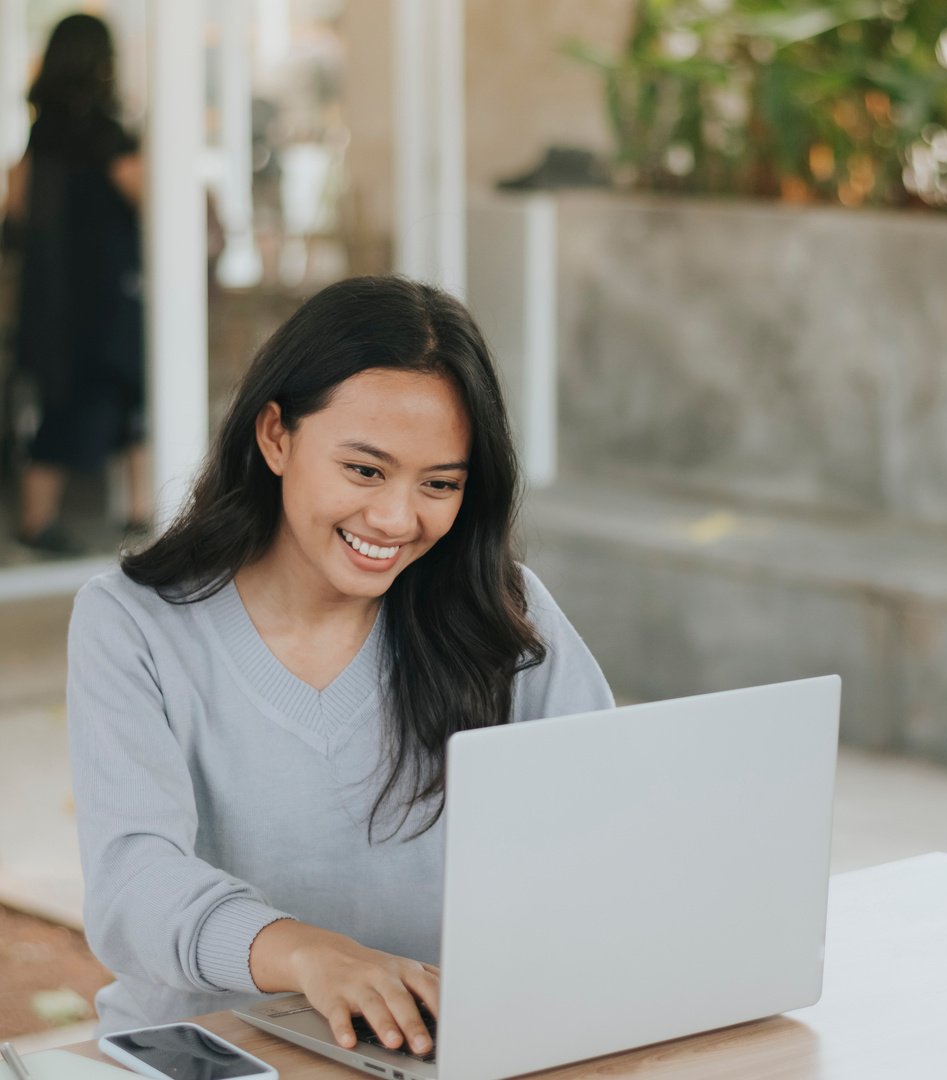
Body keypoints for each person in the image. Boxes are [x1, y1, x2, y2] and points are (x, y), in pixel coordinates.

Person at [67, 276, 613, 1051]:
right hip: (212, 1051)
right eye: (364, 470)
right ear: (276, 437)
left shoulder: (502, 610)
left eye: (439, 484)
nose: (395, 518)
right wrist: (311, 955)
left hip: (431, 1048)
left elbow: (611, 824)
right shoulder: (133, 623)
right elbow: (132, 886)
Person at [4, 13, 149, 556]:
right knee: (122, 393)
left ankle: (48, 520)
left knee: (68, 400)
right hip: (106, 294)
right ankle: (134, 514)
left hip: (51, 296)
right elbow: (149, 201)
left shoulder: (43, 132)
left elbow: (14, 207)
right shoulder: (107, 135)